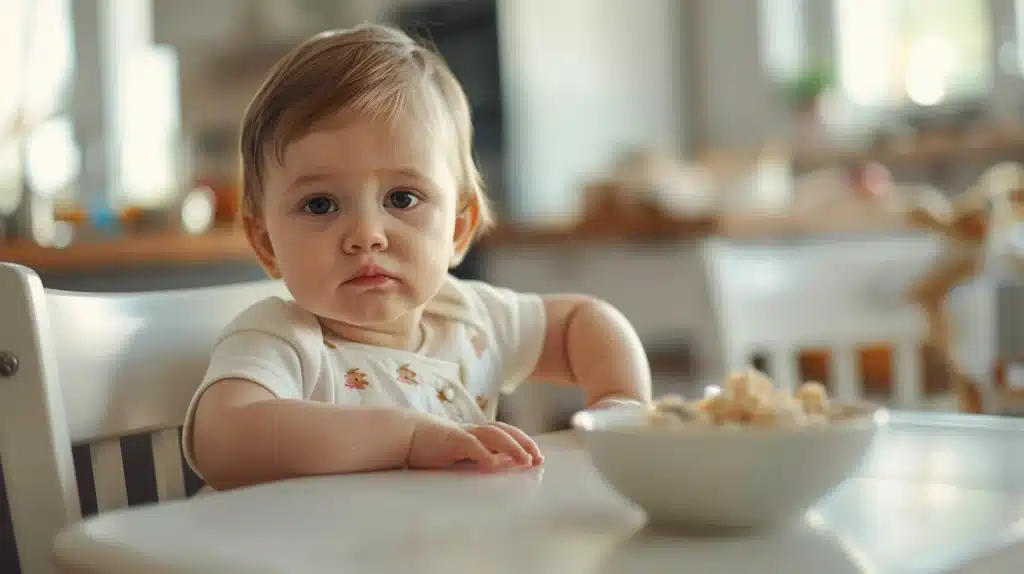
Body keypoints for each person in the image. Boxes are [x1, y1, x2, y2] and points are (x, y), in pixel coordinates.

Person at [182, 24, 652, 491]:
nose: (366, 235)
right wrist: (407, 437)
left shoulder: (469, 321)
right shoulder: (283, 341)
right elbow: (223, 441)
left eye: (402, 199)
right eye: (320, 204)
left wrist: (621, 402)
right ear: (266, 244)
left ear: (458, 230)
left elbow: (582, 324)